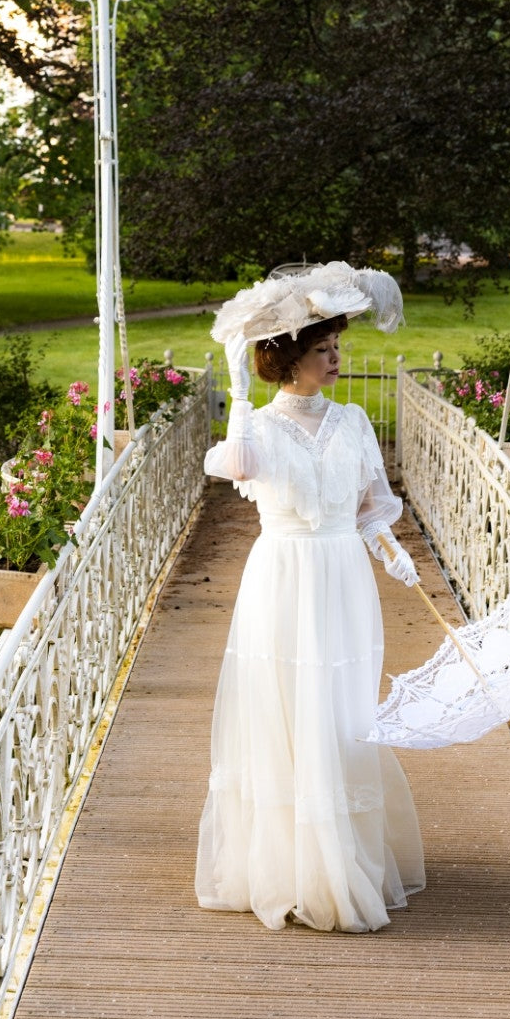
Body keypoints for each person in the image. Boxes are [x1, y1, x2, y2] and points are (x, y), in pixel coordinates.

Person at [195, 262, 426, 933]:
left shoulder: (351, 421)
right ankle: (293, 864)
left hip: (344, 577)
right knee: (287, 707)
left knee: (340, 705)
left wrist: (391, 551)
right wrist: (237, 393)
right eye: (323, 350)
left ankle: (342, 852)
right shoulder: (259, 432)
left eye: (335, 347)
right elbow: (234, 466)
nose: (336, 358)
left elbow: (370, 507)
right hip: (284, 577)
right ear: (288, 359)